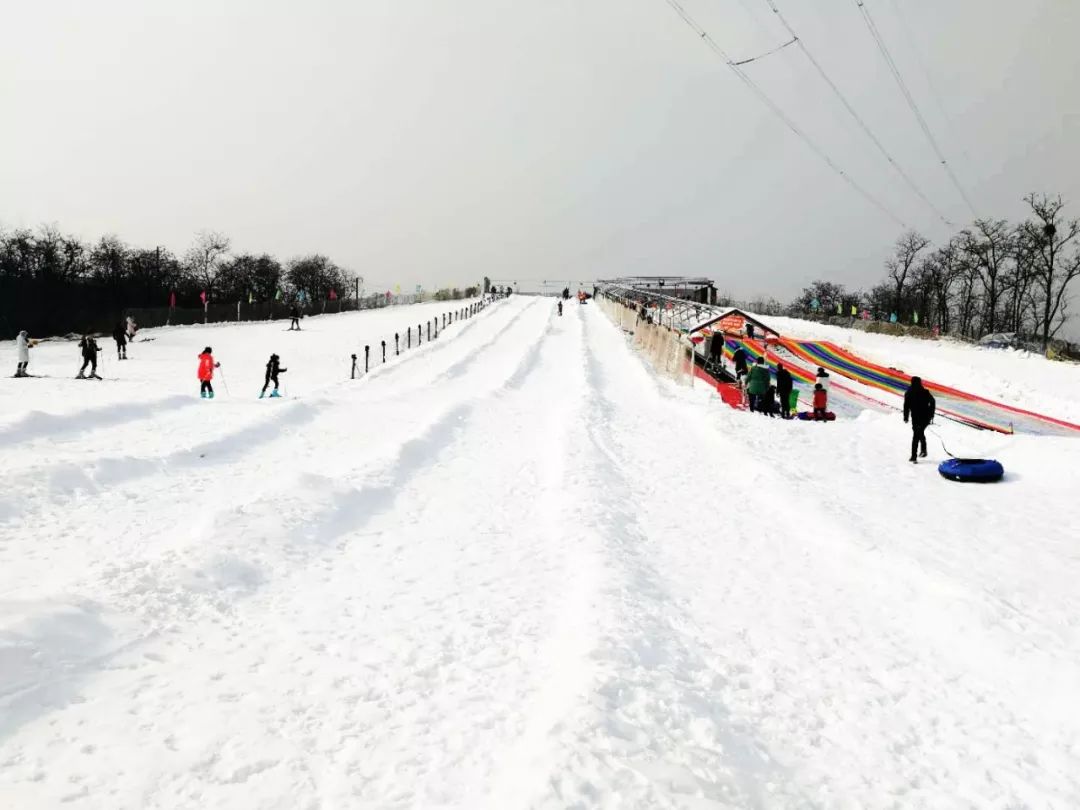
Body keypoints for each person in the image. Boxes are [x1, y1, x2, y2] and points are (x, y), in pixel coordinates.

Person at [903, 376, 936, 462]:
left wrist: (906, 417)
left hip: (917, 418)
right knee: (919, 433)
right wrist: (931, 414)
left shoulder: (909, 393)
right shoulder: (925, 392)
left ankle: (914, 456)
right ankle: (923, 450)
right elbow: (933, 401)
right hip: (925, 417)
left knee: (916, 435)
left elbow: (906, 406)